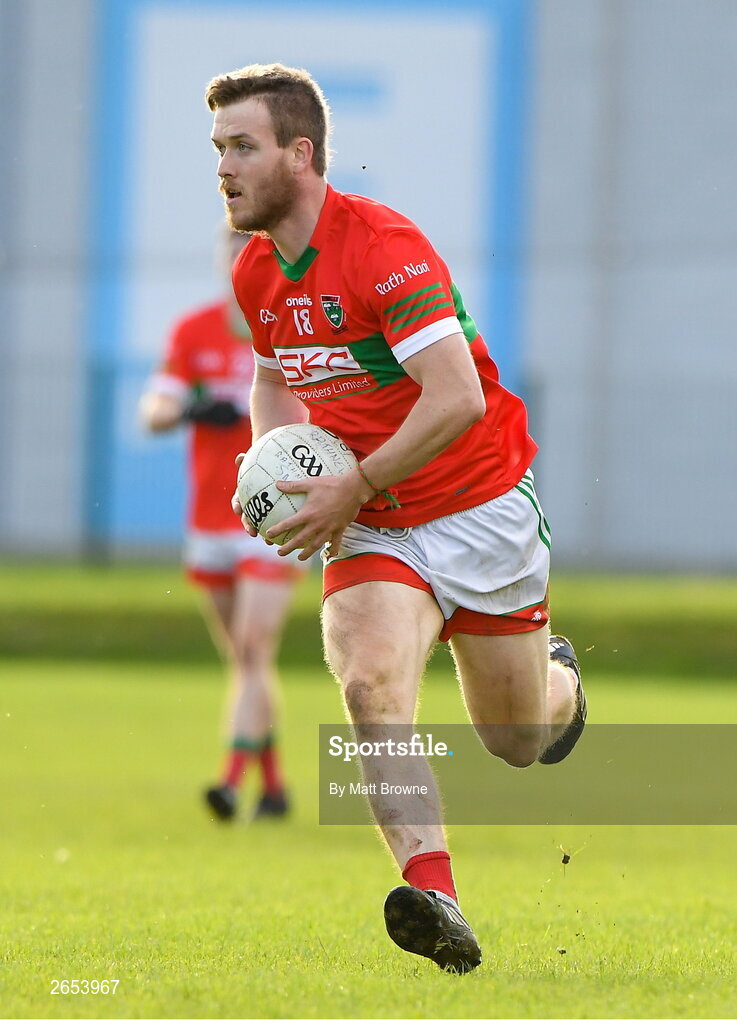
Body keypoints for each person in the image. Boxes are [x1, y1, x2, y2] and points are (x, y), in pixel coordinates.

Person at [206, 62, 587, 973]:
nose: (223, 166)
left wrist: (352, 480)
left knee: (516, 742)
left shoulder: (381, 246)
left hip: (481, 505)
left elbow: (455, 398)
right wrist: (284, 468)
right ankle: (437, 900)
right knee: (371, 687)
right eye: (218, 147)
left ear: (300, 154)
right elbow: (271, 373)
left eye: (242, 147)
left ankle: (559, 687)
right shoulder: (258, 272)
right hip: (375, 522)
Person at [139, 227, 305, 823]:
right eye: (230, 264)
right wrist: (188, 408)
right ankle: (276, 785)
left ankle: (231, 782)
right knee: (244, 659)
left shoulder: (290, 330)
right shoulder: (193, 331)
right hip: (209, 520)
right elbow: (152, 410)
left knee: (256, 645)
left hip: (274, 517)